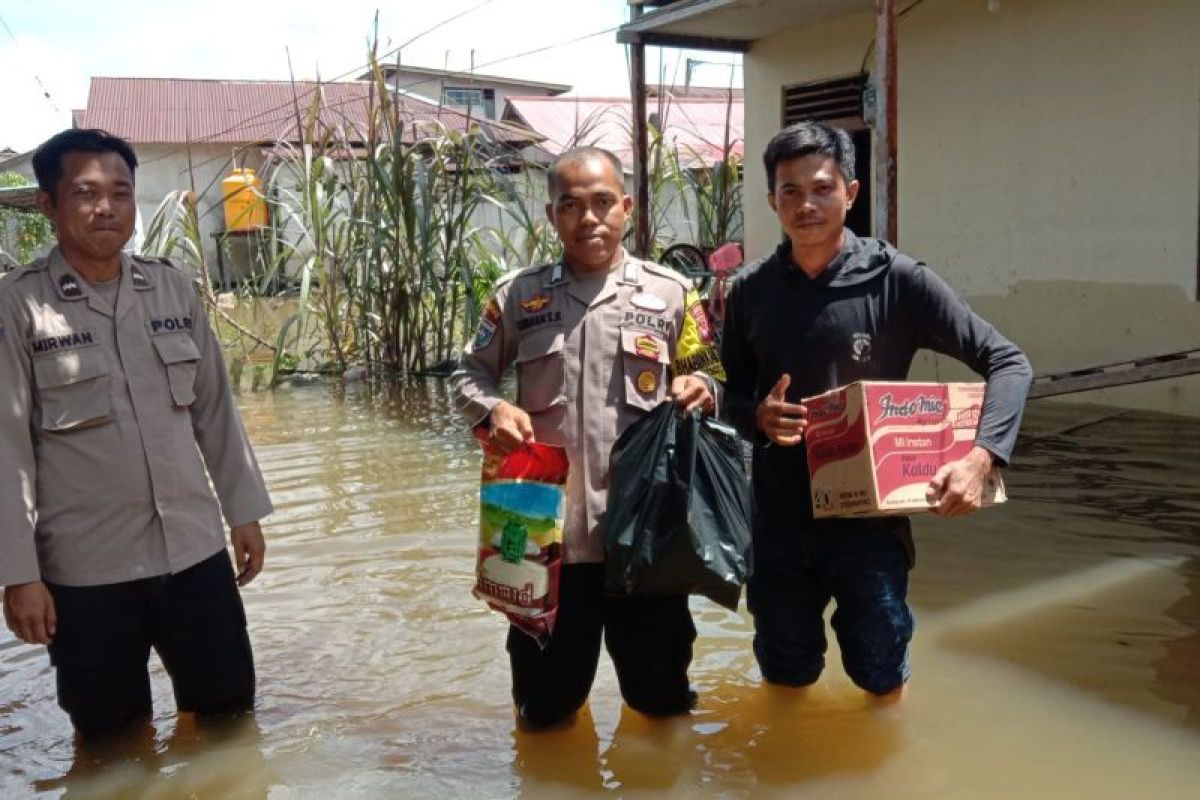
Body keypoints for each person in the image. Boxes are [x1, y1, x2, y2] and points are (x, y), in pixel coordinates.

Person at [720, 121, 1032, 697]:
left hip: (871, 525)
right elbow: (727, 392)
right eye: (790, 191)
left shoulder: (899, 281)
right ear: (771, 201)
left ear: (851, 193)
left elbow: (1008, 362)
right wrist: (757, 416)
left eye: (821, 188)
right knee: (785, 675)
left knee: (882, 676)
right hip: (777, 521)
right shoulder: (749, 293)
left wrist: (982, 459)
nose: (806, 204)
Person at [0, 129, 273, 741]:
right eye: (85, 193)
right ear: (48, 204)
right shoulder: (18, 307)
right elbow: (5, 449)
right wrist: (18, 574)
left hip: (193, 551)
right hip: (87, 570)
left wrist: (244, 513)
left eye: (121, 192)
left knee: (230, 716)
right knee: (112, 739)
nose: (107, 208)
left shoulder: (171, 288)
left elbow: (215, 412)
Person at [452, 146, 724, 727]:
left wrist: (701, 384)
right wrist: (493, 406)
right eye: (571, 206)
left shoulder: (672, 293)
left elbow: (714, 372)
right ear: (552, 216)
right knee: (545, 713)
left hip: (644, 540)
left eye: (603, 203)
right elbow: (467, 374)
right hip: (547, 542)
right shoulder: (517, 298)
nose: (589, 218)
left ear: (626, 207)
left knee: (661, 706)